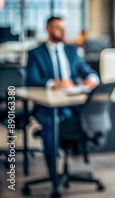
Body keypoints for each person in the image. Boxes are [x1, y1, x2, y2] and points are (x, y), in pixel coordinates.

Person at [26, 16, 99, 175]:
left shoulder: (72, 51)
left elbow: (89, 72)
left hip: (71, 104)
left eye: (63, 27)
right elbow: (31, 80)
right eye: (58, 27)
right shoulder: (35, 54)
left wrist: (91, 79)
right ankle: (53, 173)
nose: (62, 31)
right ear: (48, 29)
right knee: (51, 123)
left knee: (78, 119)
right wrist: (53, 83)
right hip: (47, 106)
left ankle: (74, 152)